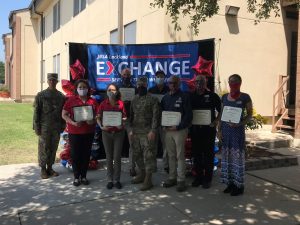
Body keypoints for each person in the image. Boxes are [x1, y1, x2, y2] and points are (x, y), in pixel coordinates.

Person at [219, 74, 253, 196]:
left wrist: (240, 123)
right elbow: (221, 115)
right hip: (226, 132)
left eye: (236, 81)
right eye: (231, 81)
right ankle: (230, 183)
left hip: (237, 133)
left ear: (240, 83)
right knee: (227, 157)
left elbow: (249, 114)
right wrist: (219, 130)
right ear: (228, 83)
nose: (233, 83)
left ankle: (239, 186)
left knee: (237, 159)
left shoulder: (245, 97)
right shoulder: (224, 97)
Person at [62, 79, 98, 186]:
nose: (82, 89)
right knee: (75, 155)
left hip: (88, 132)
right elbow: (64, 114)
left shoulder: (93, 101)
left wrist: (93, 120)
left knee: (86, 155)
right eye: (80, 87)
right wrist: (73, 123)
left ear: (88, 89)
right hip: (75, 132)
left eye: (84, 87)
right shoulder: (71, 100)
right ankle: (76, 177)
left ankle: (84, 176)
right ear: (76, 89)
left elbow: (98, 116)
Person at [161, 75, 193, 192]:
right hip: (168, 131)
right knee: (171, 155)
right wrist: (164, 125)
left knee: (180, 155)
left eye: (175, 83)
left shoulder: (184, 96)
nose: (172, 85)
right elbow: (162, 113)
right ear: (168, 84)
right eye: (170, 83)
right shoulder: (165, 98)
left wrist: (179, 126)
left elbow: (188, 115)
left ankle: (181, 180)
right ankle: (172, 177)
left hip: (179, 130)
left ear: (179, 83)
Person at [190, 75, 221, 189]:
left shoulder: (213, 96)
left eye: (202, 82)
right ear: (195, 83)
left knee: (208, 155)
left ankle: (207, 179)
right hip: (195, 130)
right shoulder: (191, 96)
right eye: (197, 81)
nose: (199, 84)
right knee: (197, 155)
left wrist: (216, 121)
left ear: (205, 83)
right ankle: (198, 178)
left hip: (208, 130)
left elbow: (220, 110)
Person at [129, 76, 160, 191]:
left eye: (143, 84)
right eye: (139, 84)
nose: (141, 86)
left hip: (148, 133)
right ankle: (142, 174)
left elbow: (156, 116)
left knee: (148, 156)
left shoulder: (153, 99)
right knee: (136, 155)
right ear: (136, 85)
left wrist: (153, 130)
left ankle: (148, 179)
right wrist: (131, 130)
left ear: (147, 85)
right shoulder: (134, 99)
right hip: (136, 132)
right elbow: (131, 116)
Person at [33, 73, 66, 179]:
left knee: (53, 147)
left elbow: (63, 113)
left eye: (54, 80)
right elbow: (36, 112)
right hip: (45, 127)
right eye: (50, 80)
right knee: (44, 148)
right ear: (47, 81)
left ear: (57, 82)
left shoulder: (61, 96)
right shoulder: (41, 95)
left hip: (56, 127)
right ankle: (43, 169)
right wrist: (36, 127)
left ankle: (50, 168)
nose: (52, 82)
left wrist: (63, 125)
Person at [97, 83, 126, 189]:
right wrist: (101, 127)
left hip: (118, 133)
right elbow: (98, 117)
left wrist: (122, 125)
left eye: (113, 90)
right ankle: (110, 179)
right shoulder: (103, 104)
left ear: (117, 91)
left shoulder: (121, 104)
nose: (111, 92)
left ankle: (117, 180)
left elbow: (124, 118)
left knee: (117, 157)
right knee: (109, 157)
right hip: (106, 133)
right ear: (106, 91)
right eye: (109, 90)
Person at [148, 70, 169, 172]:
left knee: (166, 144)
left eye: (162, 76)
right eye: (158, 77)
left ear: (164, 78)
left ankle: (166, 165)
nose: (160, 78)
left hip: (165, 121)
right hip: (154, 121)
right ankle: (153, 165)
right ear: (155, 78)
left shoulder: (169, 90)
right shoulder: (151, 90)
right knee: (153, 144)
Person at [118, 68, 138, 177]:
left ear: (131, 76)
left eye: (128, 74)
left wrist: (131, 102)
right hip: (119, 120)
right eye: (124, 74)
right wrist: (121, 101)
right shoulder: (116, 88)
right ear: (121, 75)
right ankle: (116, 168)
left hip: (130, 120)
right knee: (117, 145)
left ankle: (132, 167)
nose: (126, 76)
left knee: (132, 145)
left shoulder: (135, 89)